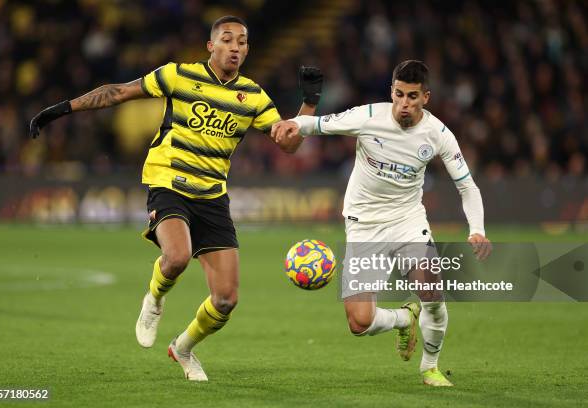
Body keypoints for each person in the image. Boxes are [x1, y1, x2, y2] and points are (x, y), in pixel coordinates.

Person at [29, 15, 323, 382]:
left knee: (226, 300)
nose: (235, 48)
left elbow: (289, 143)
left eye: (242, 42)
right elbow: (118, 92)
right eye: (228, 40)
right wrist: (61, 109)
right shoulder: (178, 75)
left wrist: (309, 104)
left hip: (213, 195)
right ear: (211, 46)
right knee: (177, 256)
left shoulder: (253, 97)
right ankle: (153, 299)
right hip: (168, 180)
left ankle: (183, 348)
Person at [272, 60, 491, 387]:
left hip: (407, 221)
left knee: (432, 293)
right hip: (363, 225)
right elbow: (317, 125)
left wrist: (477, 229)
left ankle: (430, 368)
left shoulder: (438, 134)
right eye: (399, 95)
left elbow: (467, 186)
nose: (404, 104)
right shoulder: (367, 116)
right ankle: (404, 319)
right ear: (391, 92)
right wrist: (290, 124)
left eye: (413, 97)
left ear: (426, 97)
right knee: (360, 323)